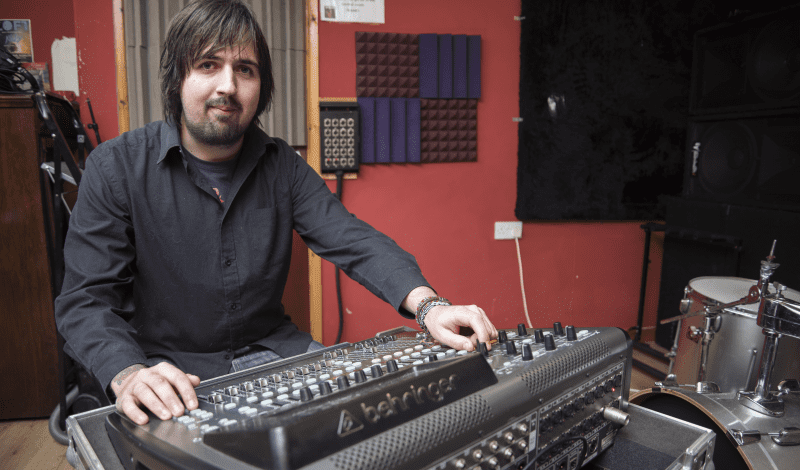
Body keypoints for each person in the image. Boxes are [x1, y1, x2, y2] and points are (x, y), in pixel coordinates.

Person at [54, 0, 497, 426]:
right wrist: (128, 373)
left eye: (244, 70)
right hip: (169, 371)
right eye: (208, 65)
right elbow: (85, 299)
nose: (227, 85)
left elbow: (353, 239)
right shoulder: (114, 168)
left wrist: (430, 307)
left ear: (260, 87)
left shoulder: (281, 164)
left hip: (277, 354)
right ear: (177, 79)